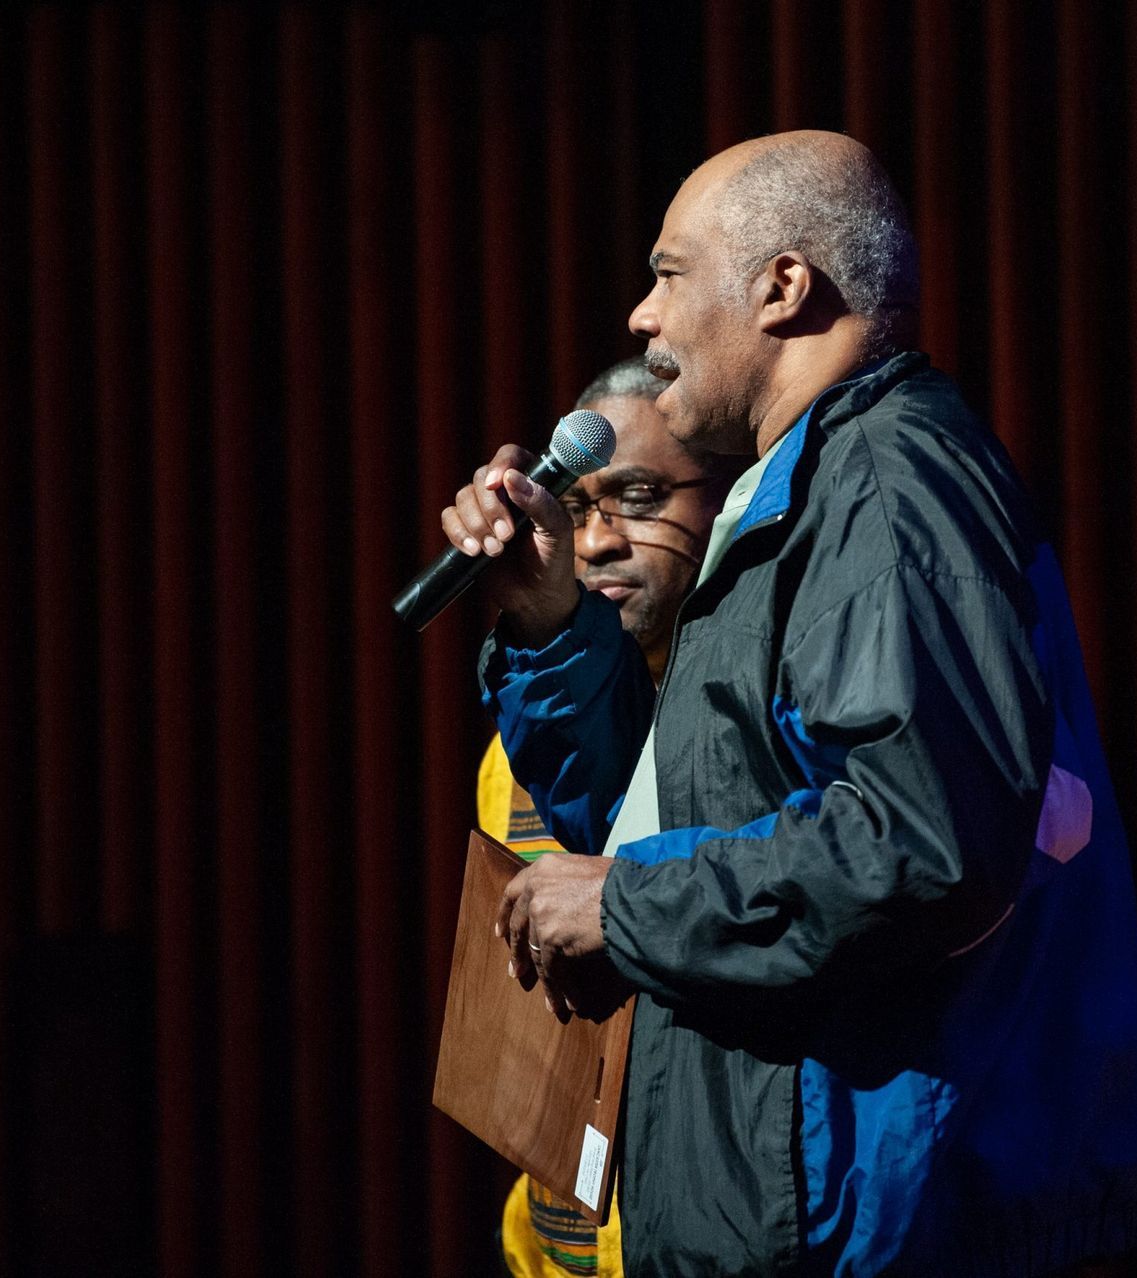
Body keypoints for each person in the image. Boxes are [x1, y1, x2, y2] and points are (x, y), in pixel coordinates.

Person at [440, 131, 1137, 1276]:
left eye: (670, 274)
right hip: (790, 1211)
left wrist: (626, 906)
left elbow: (918, 844)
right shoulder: (798, 497)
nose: (639, 314)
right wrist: (547, 622)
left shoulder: (882, 484)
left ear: (783, 285)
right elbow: (658, 822)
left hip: (863, 1229)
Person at [474, 358, 735, 1277]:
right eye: (575, 508)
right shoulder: (512, 752)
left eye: (637, 494)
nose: (596, 542)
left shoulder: (755, 728)